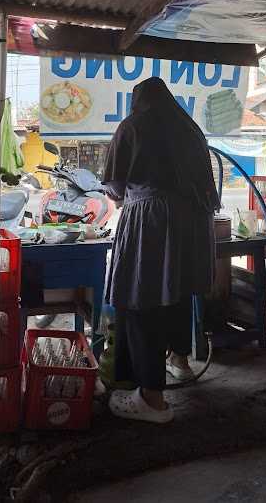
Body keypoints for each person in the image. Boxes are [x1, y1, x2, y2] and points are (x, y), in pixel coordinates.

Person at [102, 76, 220, 424]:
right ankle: (179, 361)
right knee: (177, 292)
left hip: (153, 220)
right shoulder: (190, 128)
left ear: (138, 102)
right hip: (195, 224)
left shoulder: (133, 126)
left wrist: (127, 196)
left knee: (141, 299)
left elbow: (114, 185)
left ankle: (151, 400)